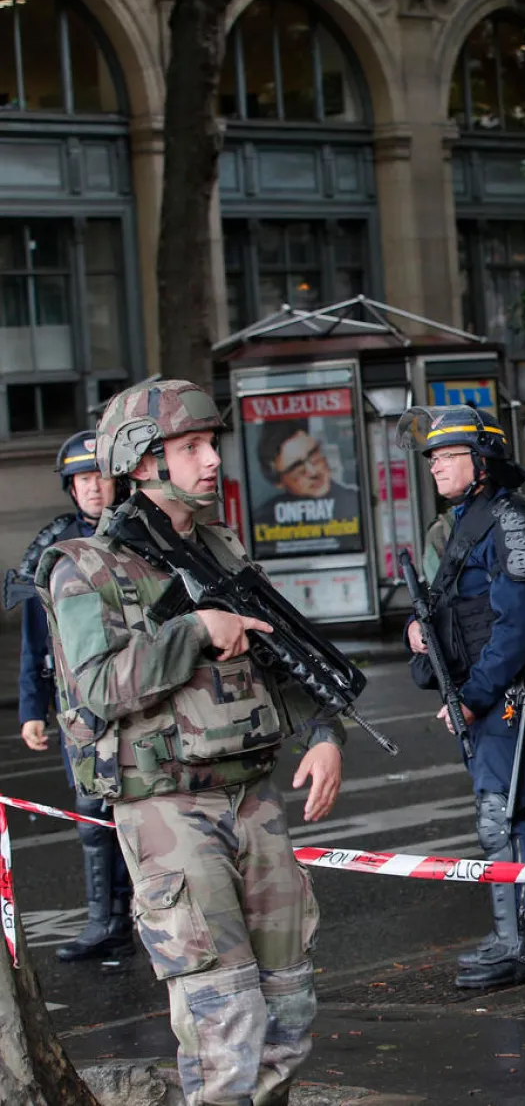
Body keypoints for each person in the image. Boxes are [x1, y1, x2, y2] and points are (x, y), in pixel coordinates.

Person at [35, 379, 345, 1106]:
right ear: (144, 462)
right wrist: (196, 630)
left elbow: (283, 653)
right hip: (167, 809)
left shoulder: (219, 547)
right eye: (190, 447)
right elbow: (100, 687)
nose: (211, 460)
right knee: (224, 1019)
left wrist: (323, 733)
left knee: (290, 1008)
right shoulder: (86, 567)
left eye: (211, 443)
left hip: (251, 799)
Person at [398, 404, 525, 989]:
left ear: (481, 460)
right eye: (432, 457)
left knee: (504, 815)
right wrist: (416, 633)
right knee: (498, 814)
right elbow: (452, 609)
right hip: (480, 690)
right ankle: (511, 932)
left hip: (503, 690)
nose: (435, 466)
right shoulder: (470, 518)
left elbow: (520, 622)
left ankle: (520, 938)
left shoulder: (510, 519)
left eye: (446, 455)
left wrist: (475, 695)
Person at [9, 430, 133, 961]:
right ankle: (104, 922)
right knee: (90, 815)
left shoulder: (139, 537)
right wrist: (31, 710)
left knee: (139, 815)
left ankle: (143, 919)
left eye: (101, 476)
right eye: (83, 479)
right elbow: (35, 640)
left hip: (132, 695)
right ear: (71, 487)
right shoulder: (54, 550)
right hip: (76, 706)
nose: (94, 489)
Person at [251, 420, 363, 537]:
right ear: (278, 482)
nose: (313, 472)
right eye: (297, 468)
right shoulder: (264, 522)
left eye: (313, 455)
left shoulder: (356, 503)